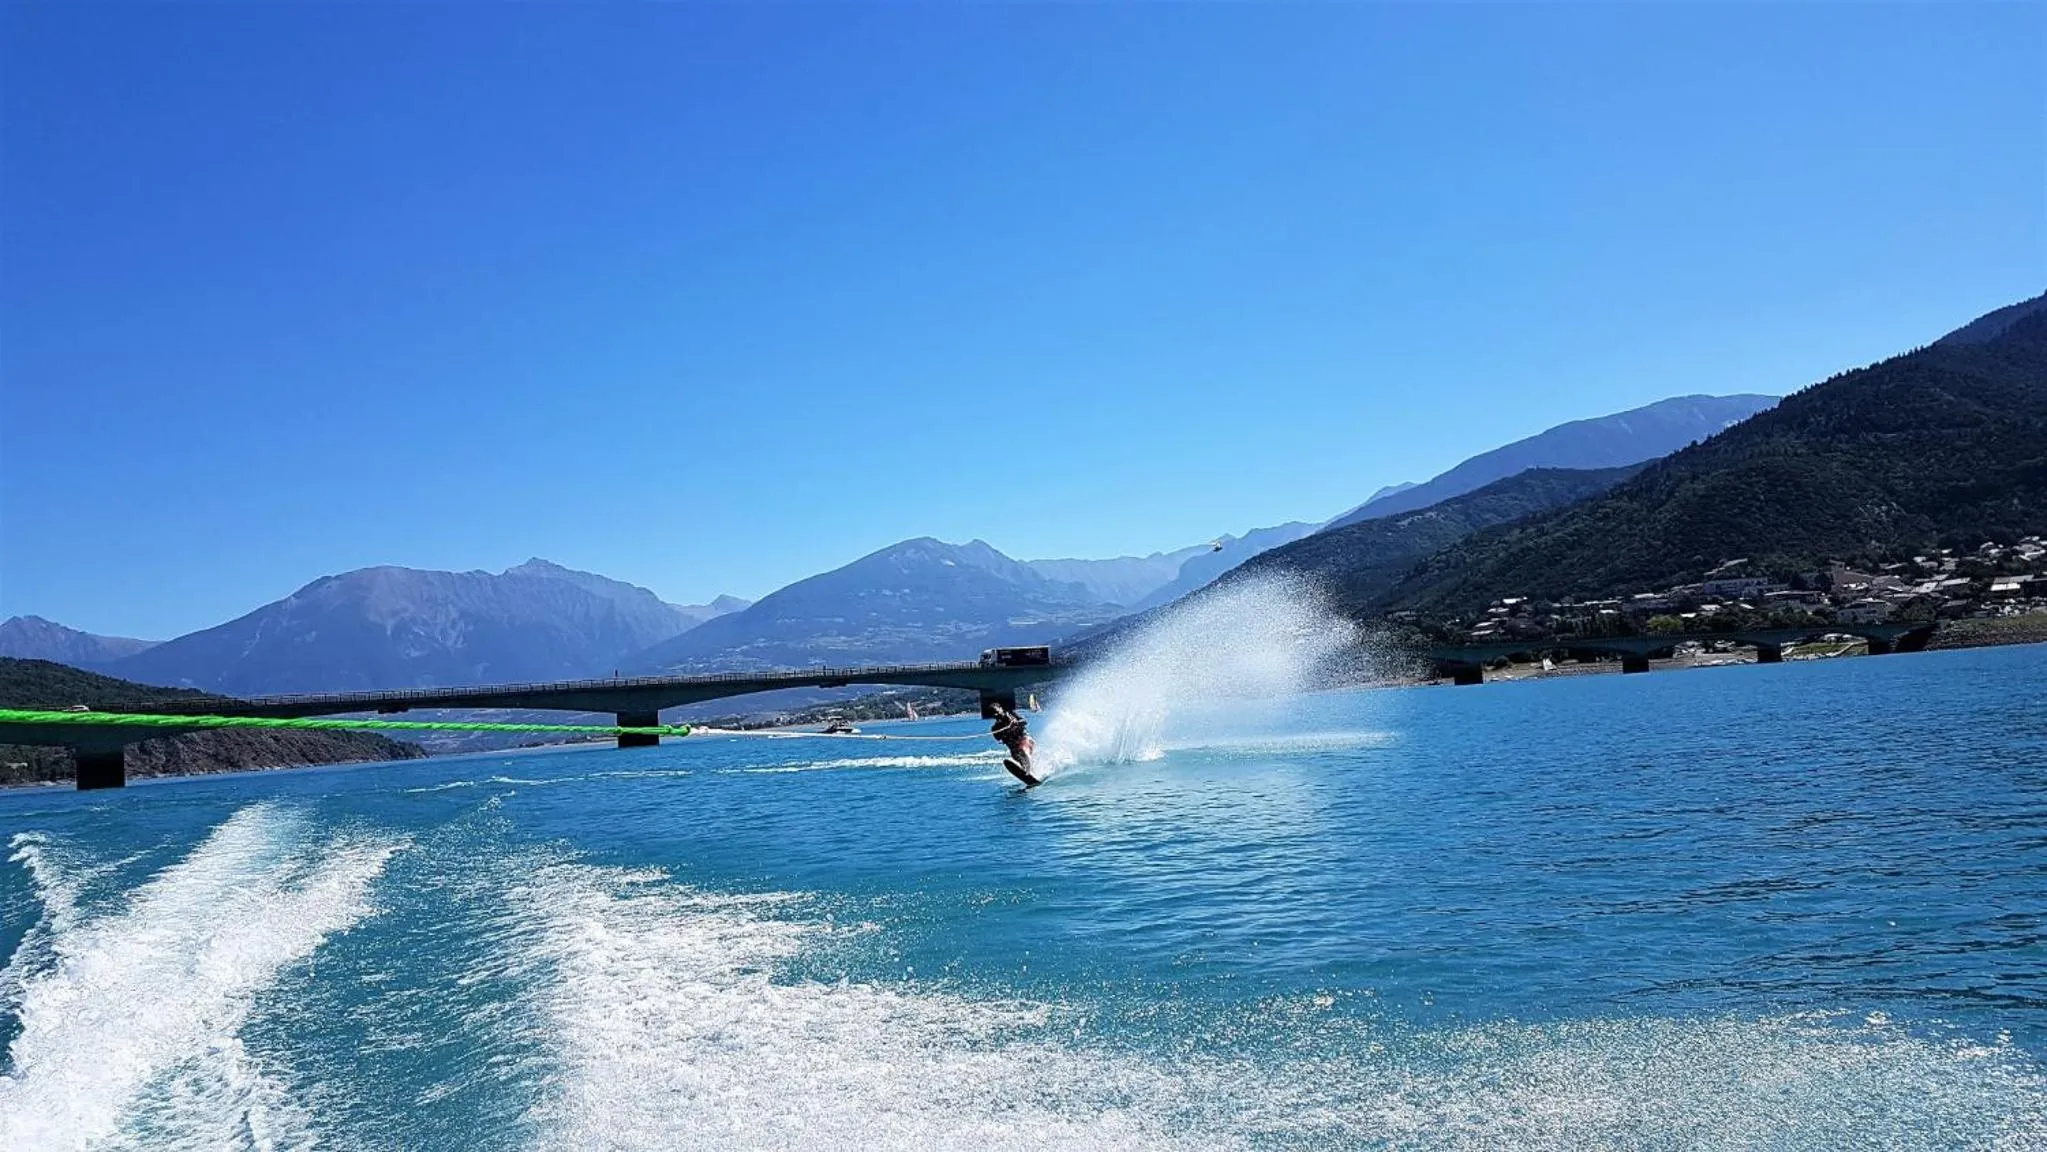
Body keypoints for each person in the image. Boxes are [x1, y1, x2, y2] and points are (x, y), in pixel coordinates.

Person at [989, 703, 1040, 787]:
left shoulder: (1012, 715)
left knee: (1023, 750)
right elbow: (997, 737)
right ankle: (1030, 773)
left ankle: (1028, 770)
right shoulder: (995, 728)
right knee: (1018, 757)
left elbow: (1024, 721)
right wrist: (1004, 731)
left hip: (1026, 741)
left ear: (1001, 709)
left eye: (996, 711)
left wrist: (1016, 722)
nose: (996, 714)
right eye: (993, 714)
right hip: (1014, 748)